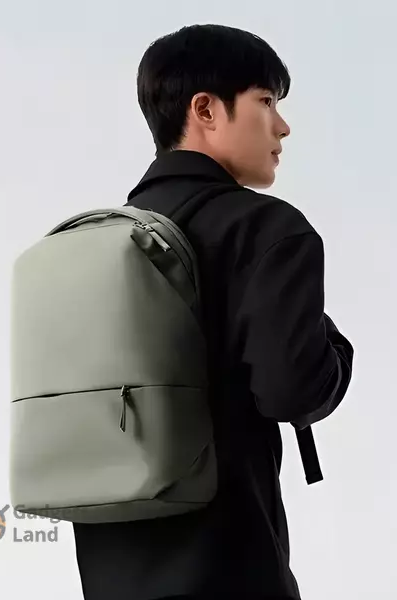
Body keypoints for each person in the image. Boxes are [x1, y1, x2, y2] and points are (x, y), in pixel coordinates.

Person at [72, 24, 355, 600]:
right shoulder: (265, 228)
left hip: (110, 573)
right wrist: (336, 347)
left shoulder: (96, 241)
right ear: (205, 109)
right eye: (266, 101)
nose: (282, 126)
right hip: (230, 569)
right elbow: (294, 392)